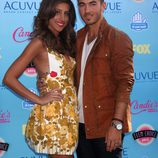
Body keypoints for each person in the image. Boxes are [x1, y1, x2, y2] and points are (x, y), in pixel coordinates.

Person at [3, 0, 78, 158]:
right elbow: (9, 78)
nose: (62, 18)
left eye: (66, 13)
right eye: (57, 12)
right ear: (47, 13)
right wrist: (39, 99)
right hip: (53, 116)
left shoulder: (66, 42)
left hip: (69, 114)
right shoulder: (39, 43)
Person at [75, 0, 134, 158]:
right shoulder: (77, 38)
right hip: (80, 126)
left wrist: (116, 124)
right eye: (82, 4)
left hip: (106, 126)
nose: (86, 10)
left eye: (92, 3)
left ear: (103, 5)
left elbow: (125, 83)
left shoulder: (118, 38)